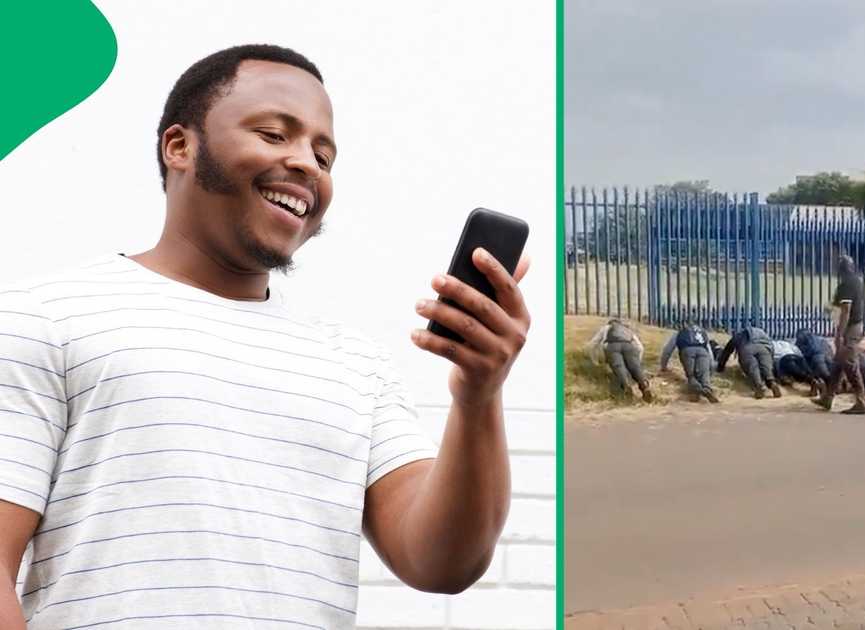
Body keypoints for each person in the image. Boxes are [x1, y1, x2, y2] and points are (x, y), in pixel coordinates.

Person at [0, 46, 532, 629]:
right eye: (276, 135)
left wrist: (480, 395)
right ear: (180, 147)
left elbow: (441, 562)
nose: (307, 164)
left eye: (323, 156)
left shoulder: (354, 365)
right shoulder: (45, 318)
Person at [812, 255, 865, 415]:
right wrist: (830, 308)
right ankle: (828, 398)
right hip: (856, 326)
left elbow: (846, 310)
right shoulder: (856, 281)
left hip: (850, 328)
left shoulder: (846, 285)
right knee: (838, 364)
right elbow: (838, 304)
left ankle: (861, 401)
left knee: (850, 365)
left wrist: (839, 334)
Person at [588, 318, 653, 402]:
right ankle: (644, 386)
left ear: (610, 323)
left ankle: (627, 388)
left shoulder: (606, 328)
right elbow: (640, 347)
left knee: (619, 368)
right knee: (635, 368)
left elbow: (592, 344)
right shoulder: (626, 329)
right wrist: (637, 362)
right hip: (629, 346)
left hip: (612, 346)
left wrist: (595, 361)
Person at [659, 320, 719, 402]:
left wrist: (663, 366)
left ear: (684, 324)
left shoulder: (680, 333)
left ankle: (698, 390)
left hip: (687, 351)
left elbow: (668, 350)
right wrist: (711, 366)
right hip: (703, 352)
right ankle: (707, 388)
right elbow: (709, 352)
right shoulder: (702, 332)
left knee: (691, 376)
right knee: (704, 375)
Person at [716, 326, 782, 399]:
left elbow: (727, 352)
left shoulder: (738, 335)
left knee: (753, 367)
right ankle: (772, 382)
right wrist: (770, 360)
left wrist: (720, 367)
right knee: (766, 367)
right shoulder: (763, 333)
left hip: (747, 349)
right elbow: (771, 349)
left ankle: (758, 385)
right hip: (764, 348)